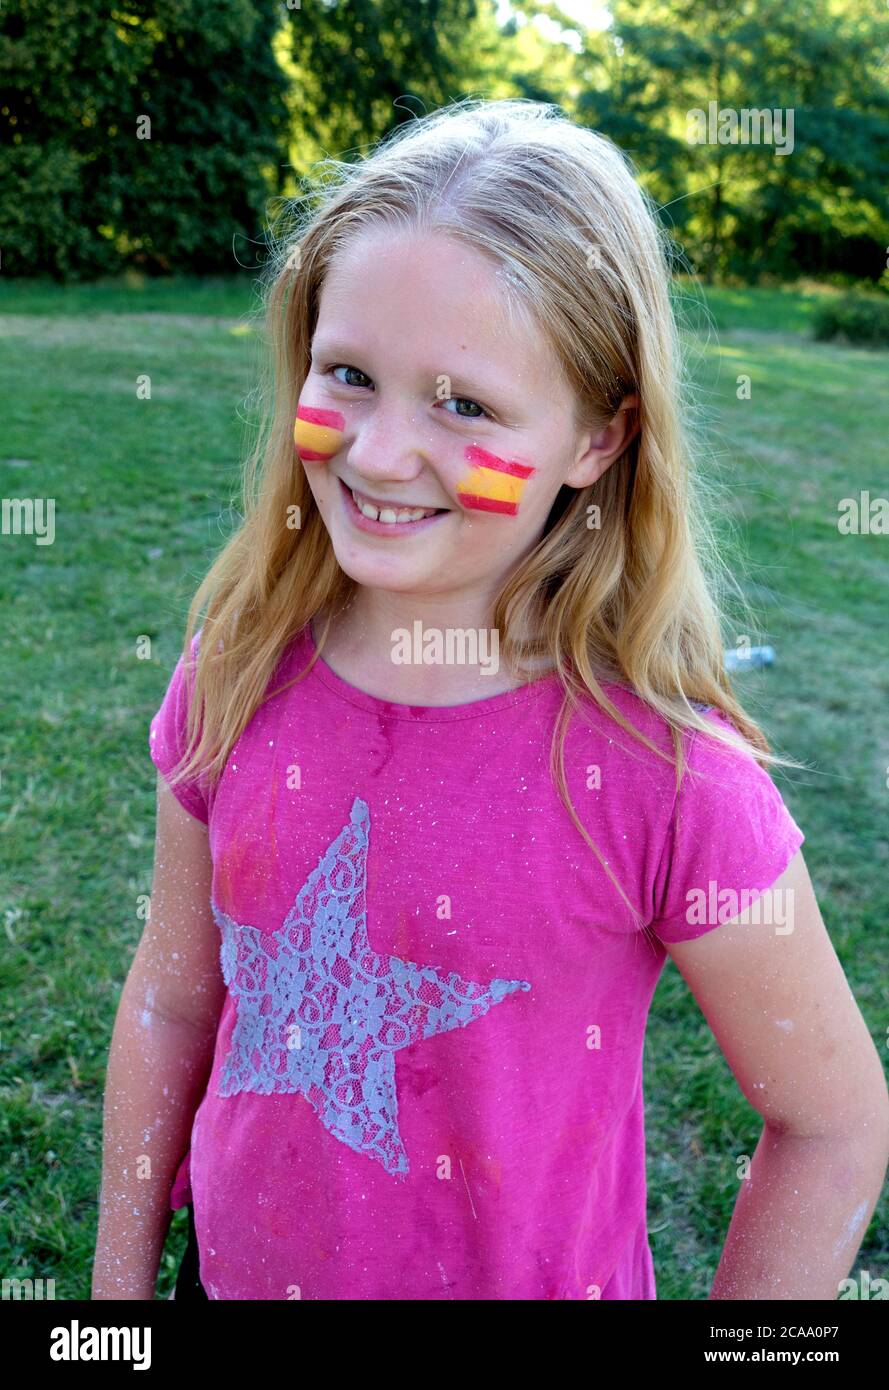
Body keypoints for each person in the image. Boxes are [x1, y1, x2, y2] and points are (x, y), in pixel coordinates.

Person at [92, 98, 889, 1301]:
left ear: (598, 440)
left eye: (462, 404)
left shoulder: (668, 778)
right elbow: (167, 1004)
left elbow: (832, 1126)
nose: (374, 453)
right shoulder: (236, 666)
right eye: (348, 374)